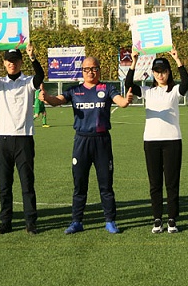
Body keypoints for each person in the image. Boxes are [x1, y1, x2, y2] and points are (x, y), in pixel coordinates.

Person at [40, 57, 133, 234]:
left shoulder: (106, 88)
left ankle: (110, 220)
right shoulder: (75, 90)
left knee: (106, 184)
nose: (90, 72)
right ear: (82, 71)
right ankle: (77, 221)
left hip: (102, 141)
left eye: (94, 68)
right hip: (81, 141)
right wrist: (46, 98)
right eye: (86, 69)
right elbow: (57, 100)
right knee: (79, 184)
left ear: (99, 70)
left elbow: (121, 102)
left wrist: (127, 100)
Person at [125, 47, 188, 234]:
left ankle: (172, 219)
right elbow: (129, 83)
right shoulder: (147, 91)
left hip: (172, 141)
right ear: (153, 73)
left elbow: (186, 82)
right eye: (157, 72)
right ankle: (157, 219)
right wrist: (134, 61)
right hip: (151, 141)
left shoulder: (175, 90)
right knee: (155, 183)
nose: (161, 75)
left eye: (164, 71)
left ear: (169, 73)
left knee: (172, 182)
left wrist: (178, 60)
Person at [0, 43, 44, 235]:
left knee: (27, 183)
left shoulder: (28, 82)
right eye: (9, 61)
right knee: (4, 184)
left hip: (24, 138)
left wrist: (33, 57)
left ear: (20, 62)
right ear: (4, 63)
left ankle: (30, 222)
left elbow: (40, 77)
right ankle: (6, 222)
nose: (12, 64)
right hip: (4, 139)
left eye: (15, 61)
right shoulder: (0, 83)